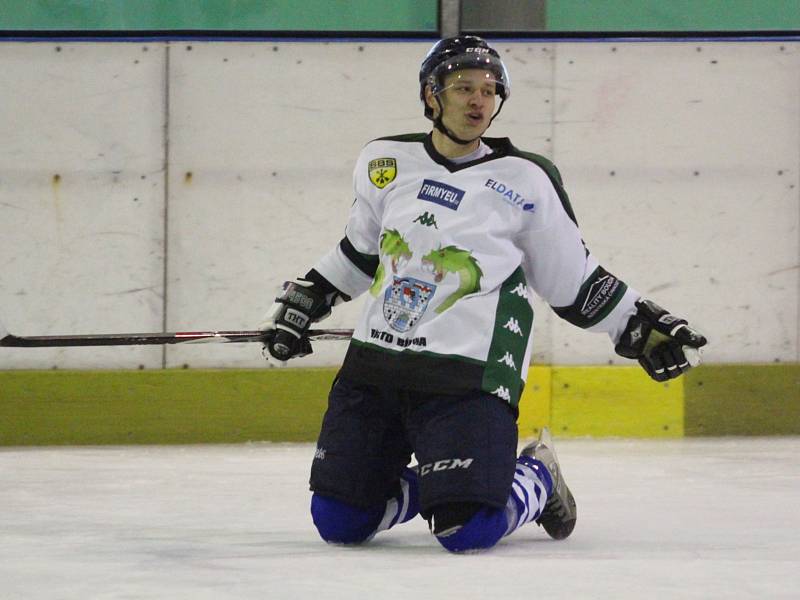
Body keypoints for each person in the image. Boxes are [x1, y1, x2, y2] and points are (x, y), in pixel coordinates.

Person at [259, 36, 707, 553]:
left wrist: (640, 326)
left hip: (468, 377)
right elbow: (362, 252)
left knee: (466, 530)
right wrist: (305, 299)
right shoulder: (385, 160)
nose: (479, 101)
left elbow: (573, 282)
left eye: (490, 90)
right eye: (464, 88)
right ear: (432, 95)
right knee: (339, 521)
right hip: (375, 370)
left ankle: (535, 475)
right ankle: (463, 482)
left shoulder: (526, 179)